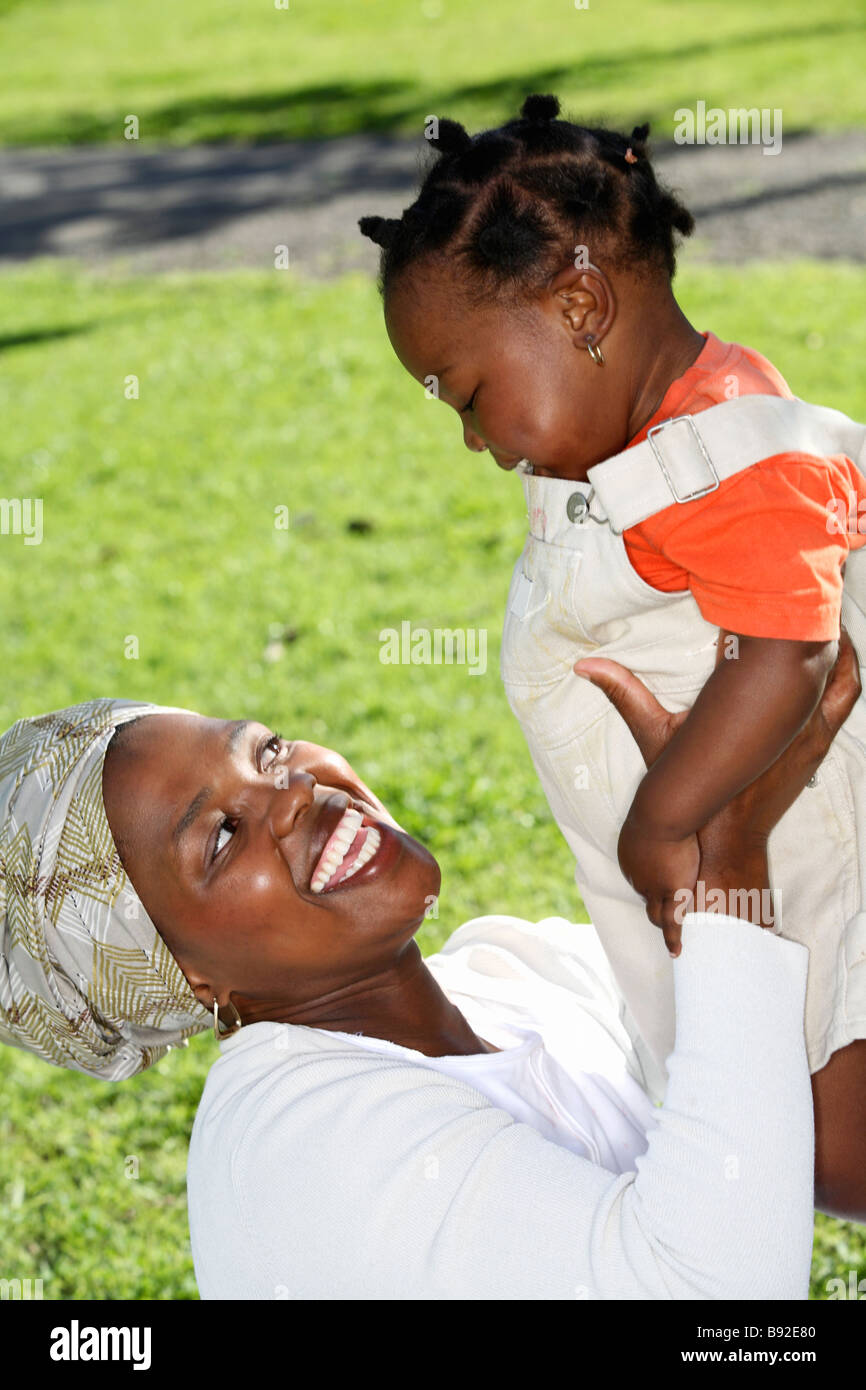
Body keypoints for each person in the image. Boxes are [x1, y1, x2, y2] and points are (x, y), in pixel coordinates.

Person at [358, 93, 866, 1215]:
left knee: (819, 1152)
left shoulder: (739, 455)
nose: (474, 443)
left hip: (814, 868)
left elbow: (786, 651)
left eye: (471, 395)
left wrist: (661, 821)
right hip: (713, 888)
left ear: (579, 302)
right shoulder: (635, 452)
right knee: (777, 1137)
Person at [0, 636, 859, 1297]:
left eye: (264, 751)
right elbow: (718, 1302)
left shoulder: (506, 981)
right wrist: (729, 860)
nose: (294, 791)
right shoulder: (297, 1148)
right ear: (183, 976)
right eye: (220, 836)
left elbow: (783, 1066)